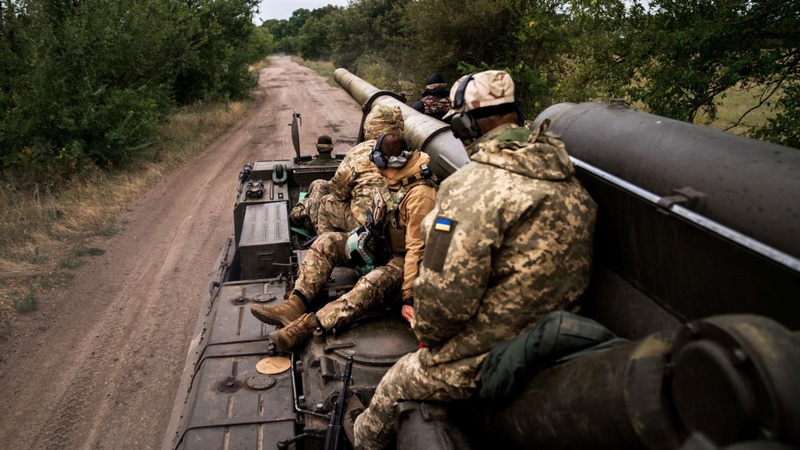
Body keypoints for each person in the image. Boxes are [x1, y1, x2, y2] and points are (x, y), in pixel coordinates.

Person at [353, 70, 598, 449]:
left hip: (491, 356)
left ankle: (360, 441)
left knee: (397, 381)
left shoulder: (468, 190)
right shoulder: (569, 180)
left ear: (466, 126)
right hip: (552, 343)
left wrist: (425, 329)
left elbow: (441, 307)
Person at [252, 132, 437, 350]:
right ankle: (295, 304)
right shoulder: (396, 179)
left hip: (404, 261)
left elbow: (417, 250)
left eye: (377, 162)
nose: (375, 168)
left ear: (387, 162)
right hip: (383, 245)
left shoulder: (420, 195)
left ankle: (308, 325)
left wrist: (409, 297)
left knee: (372, 283)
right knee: (326, 242)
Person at [289, 105, 404, 235]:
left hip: (366, 223)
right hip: (395, 223)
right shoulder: (409, 152)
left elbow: (338, 192)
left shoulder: (360, 152)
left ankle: (321, 236)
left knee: (325, 199)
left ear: (370, 126)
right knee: (320, 185)